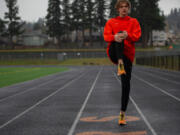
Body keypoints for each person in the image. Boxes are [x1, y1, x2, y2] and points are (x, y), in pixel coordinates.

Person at [103, 0, 141, 125]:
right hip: (114, 53)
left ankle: (122, 114)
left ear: (128, 9)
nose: (124, 9)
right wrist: (115, 36)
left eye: (126, 7)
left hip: (127, 57)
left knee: (126, 84)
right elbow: (106, 36)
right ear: (118, 9)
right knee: (118, 35)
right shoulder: (111, 22)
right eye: (121, 7)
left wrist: (127, 34)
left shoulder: (133, 22)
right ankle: (119, 63)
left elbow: (137, 36)